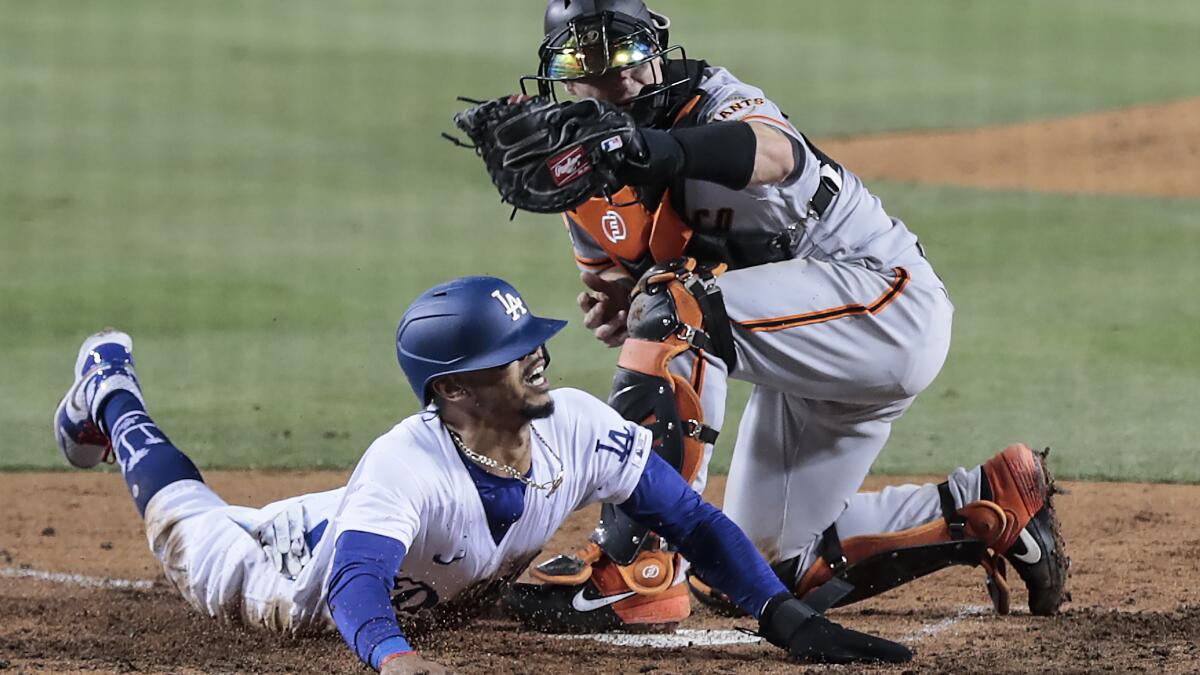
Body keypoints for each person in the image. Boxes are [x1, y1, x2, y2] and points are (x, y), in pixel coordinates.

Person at [501, 0, 1068, 631]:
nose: (618, 78)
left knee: (678, 307)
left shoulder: (717, 100)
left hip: (884, 305)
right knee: (753, 566)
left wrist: (650, 153)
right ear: (560, 75)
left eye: (628, 53)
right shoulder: (583, 173)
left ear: (657, 49)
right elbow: (618, 286)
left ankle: (636, 565)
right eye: (588, 60)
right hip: (806, 354)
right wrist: (620, 308)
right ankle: (990, 505)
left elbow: (776, 153)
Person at [52, 277, 913, 674]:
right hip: (280, 569)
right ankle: (110, 391)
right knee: (184, 517)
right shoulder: (406, 462)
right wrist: (393, 660)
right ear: (455, 390)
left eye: (532, 341)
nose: (537, 358)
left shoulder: (573, 422)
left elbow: (692, 520)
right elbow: (354, 582)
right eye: (511, 355)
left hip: (385, 529)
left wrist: (782, 615)